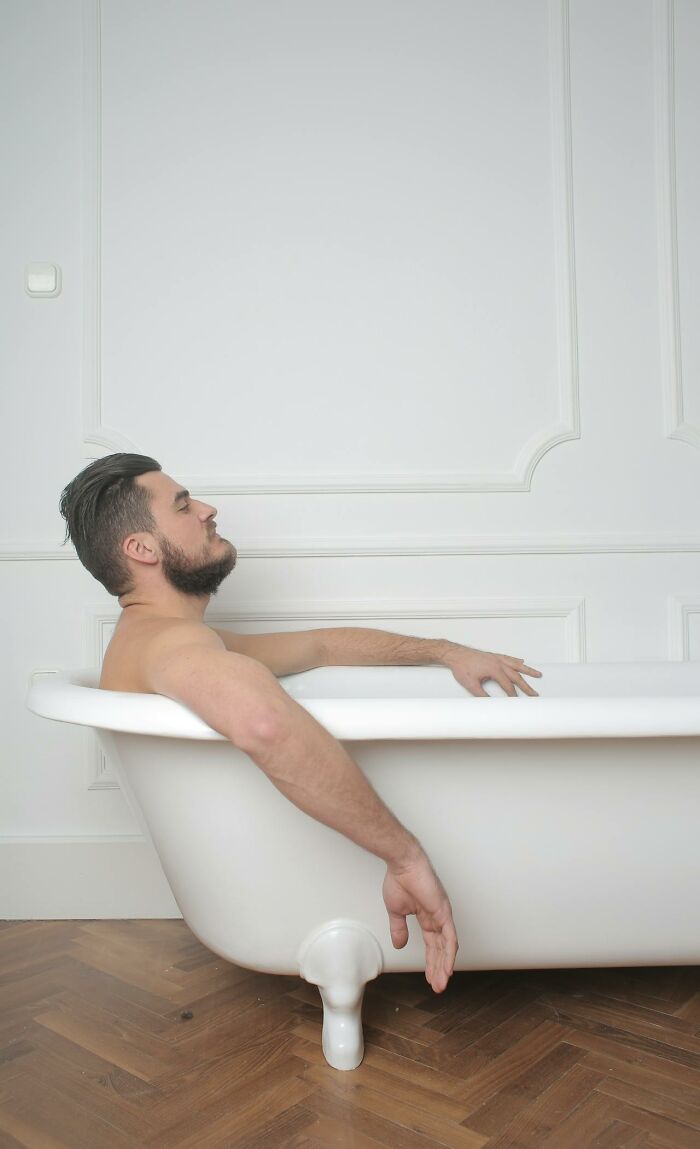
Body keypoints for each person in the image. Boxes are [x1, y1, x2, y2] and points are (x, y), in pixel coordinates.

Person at [59, 453, 543, 993]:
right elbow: (266, 725)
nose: (207, 509)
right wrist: (405, 858)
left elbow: (320, 645)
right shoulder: (172, 645)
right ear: (142, 548)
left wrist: (445, 651)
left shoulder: (165, 637)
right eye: (183, 505)